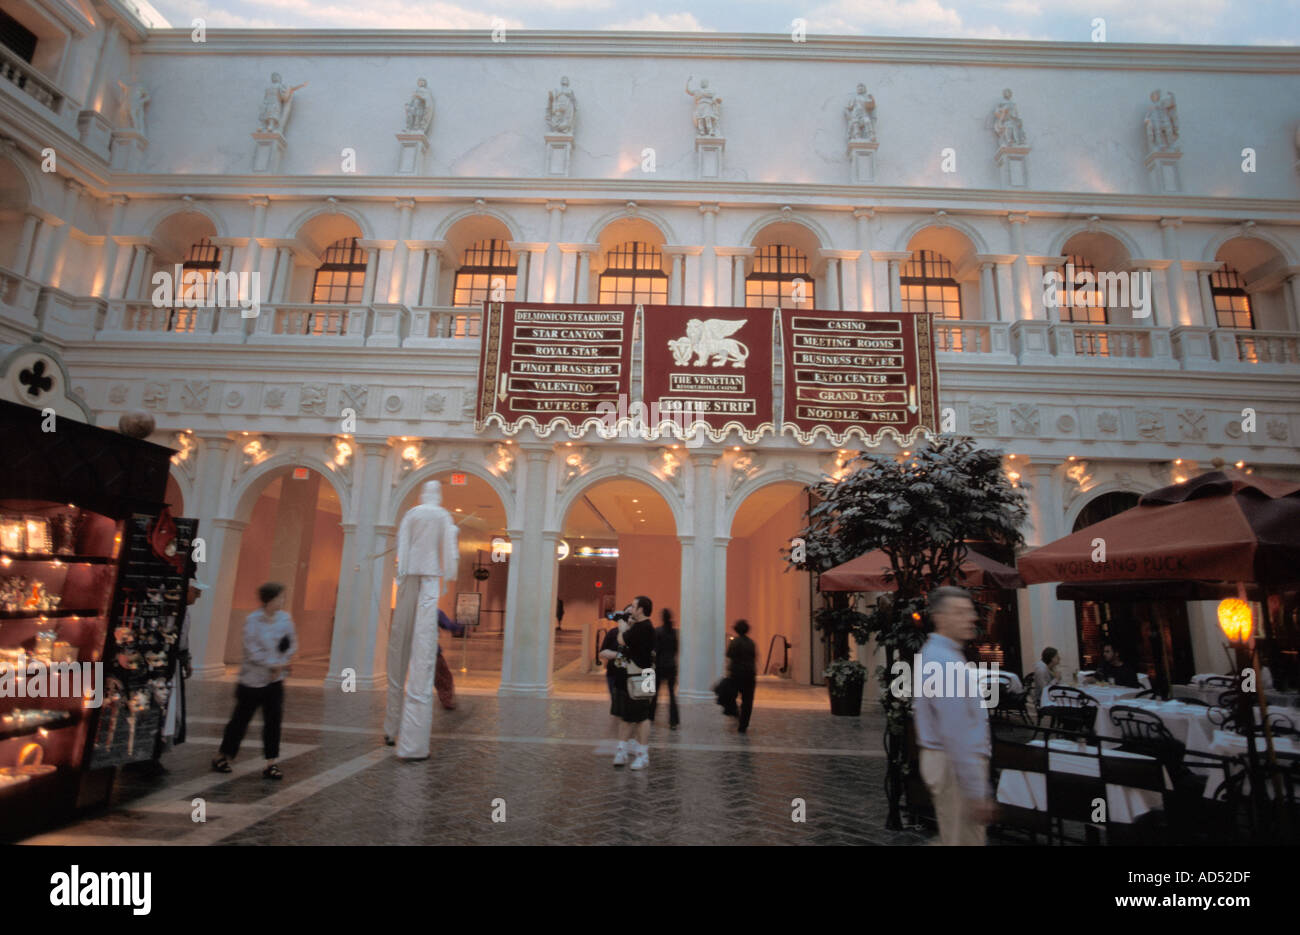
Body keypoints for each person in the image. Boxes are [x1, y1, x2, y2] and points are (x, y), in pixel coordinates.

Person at [384, 480, 458, 759]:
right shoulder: (442, 515)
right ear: (437, 495)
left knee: (398, 647)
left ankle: (391, 728)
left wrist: (401, 570)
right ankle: (413, 742)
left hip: (410, 574)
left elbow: (402, 542)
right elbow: (450, 552)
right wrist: (449, 577)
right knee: (423, 650)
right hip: (429, 575)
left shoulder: (412, 514)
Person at [913, 586, 993, 846]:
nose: (970, 618)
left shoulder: (942, 654)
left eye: (970, 612)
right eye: (959, 613)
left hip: (950, 764)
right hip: (954, 767)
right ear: (940, 617)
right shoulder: (944, 661)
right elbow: (956, 732)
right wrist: (976, 791)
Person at [212, 582, 297, 780]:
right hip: (252, 681)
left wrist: (281, 664)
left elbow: (291, 643)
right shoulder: (253, 621)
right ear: (269, 599)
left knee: (273, 721)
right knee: (240, 721)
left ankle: (271, 762)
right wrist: (272, 665)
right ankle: (222, 756)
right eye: (280, 597)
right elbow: (252, 650)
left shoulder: (285, 619)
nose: (282, 601)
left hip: (275, 681)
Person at [147, 577, 207, 775]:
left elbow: (183, 638)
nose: (198, 597)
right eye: (195, 592)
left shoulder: (183, 611)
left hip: (172, 665)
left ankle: (155, 752)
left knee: (171, 709)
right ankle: (150, 753)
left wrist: (186, 658)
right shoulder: (171, 610)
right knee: (165, 707)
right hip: (164, 666)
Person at [607, 596, 656, 770]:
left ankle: (643, 755)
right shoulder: (640, 627)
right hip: (635, 675)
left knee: (642, 717)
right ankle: (622, 751)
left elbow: (622, 640)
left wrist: (622, 628)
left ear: (641, 609)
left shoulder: (644, 627)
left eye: (634, 606)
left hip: (642, 675)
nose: (631, 609)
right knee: (626, 716)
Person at [726, 619, 757, 734]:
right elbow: (754, 657)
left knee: (729, 695)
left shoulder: (735, 642)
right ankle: (743, 725)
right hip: (750, 674)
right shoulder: (751, 643)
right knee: (747, 701)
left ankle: (736, 714)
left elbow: (729, 655)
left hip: (737, 674)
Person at [651, 608, 679, 729]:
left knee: (655, 694)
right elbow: (676, 650)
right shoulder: (673, 632)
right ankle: (673, 721)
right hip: (671, 666)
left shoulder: (658, 631)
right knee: (672, 695)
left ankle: (650, 717)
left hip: (659, 666)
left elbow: (655, 649)